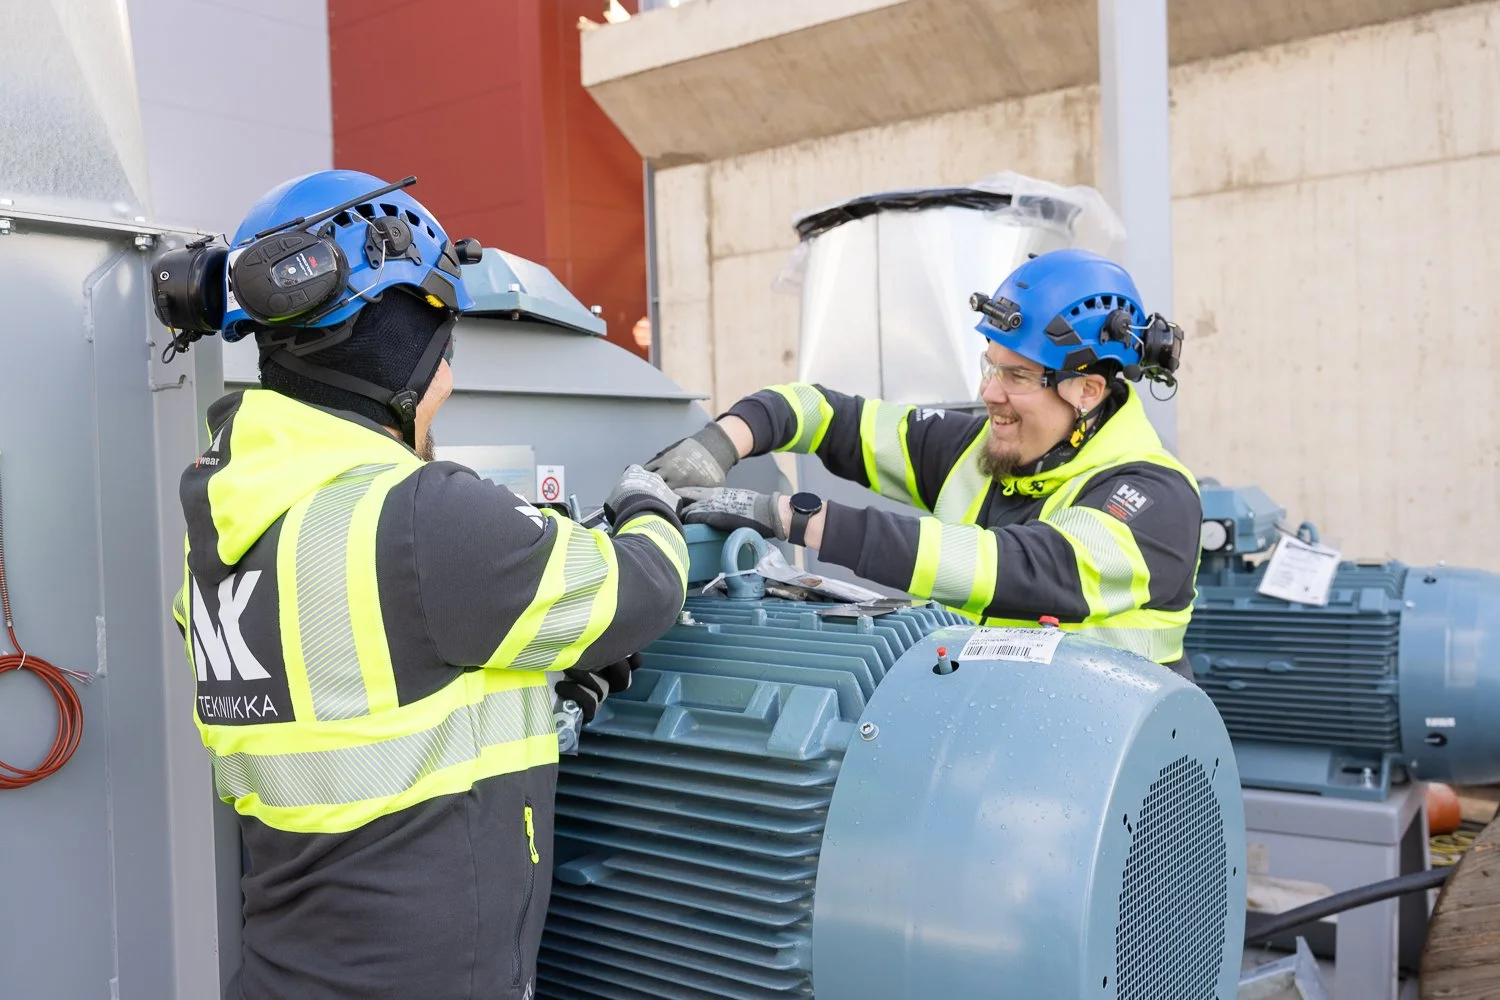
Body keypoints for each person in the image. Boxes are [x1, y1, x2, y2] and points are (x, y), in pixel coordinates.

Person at [164, 170, 689, 1000]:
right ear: (406, 336)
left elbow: (370, 695)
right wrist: (652, 504)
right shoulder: (414, 516)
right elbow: (646, 589)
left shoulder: (223, 524)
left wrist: (547, 692)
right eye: (444, 326)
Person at [646, 248, 1202, 675]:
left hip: (1107, 765)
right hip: (981, 728)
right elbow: (822, 413)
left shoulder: (1157, 498)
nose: (989, 394)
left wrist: (794, 516)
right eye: (990, 367)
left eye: (1017, 376)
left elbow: (1019, 568)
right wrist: (718, 445)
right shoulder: (984, 448)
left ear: (1086, 391)